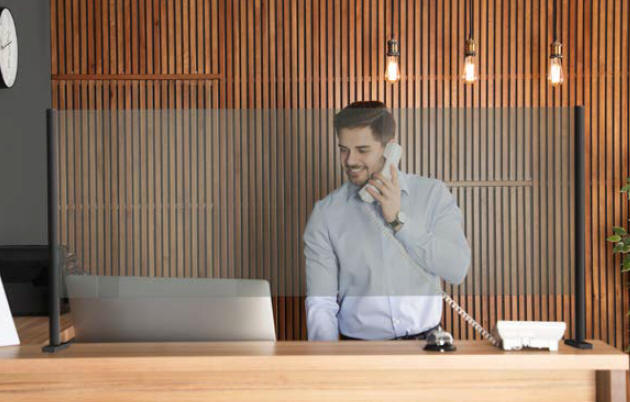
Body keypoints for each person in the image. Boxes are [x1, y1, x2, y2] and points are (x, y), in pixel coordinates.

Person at [303, 101, 471, 341]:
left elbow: (457, 269)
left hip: (425, 346)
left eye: (362, 150)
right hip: (358, 353)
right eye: (343, 149)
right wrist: (328, 367)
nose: (350, 161)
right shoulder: (325, 215)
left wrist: (399, 222)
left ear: (390, 148)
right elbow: (321, 304)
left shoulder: (433, 195)